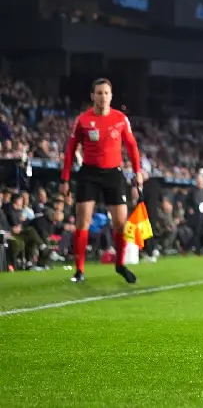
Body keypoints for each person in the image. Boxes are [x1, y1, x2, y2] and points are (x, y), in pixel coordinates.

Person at [62, 78, 146, 283]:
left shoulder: (120, 119)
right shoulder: (82, 120)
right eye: (99, 93)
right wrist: (65, 179)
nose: (102, 96)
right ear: (93, 96)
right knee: (83, 222)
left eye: (106, 93)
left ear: (111, 96)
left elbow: (132, 147)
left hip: (113, 174)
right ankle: (79, 270)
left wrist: (138, 171)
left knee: (120, 223)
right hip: (89, 174)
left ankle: (120, 264)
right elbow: (70, 150)